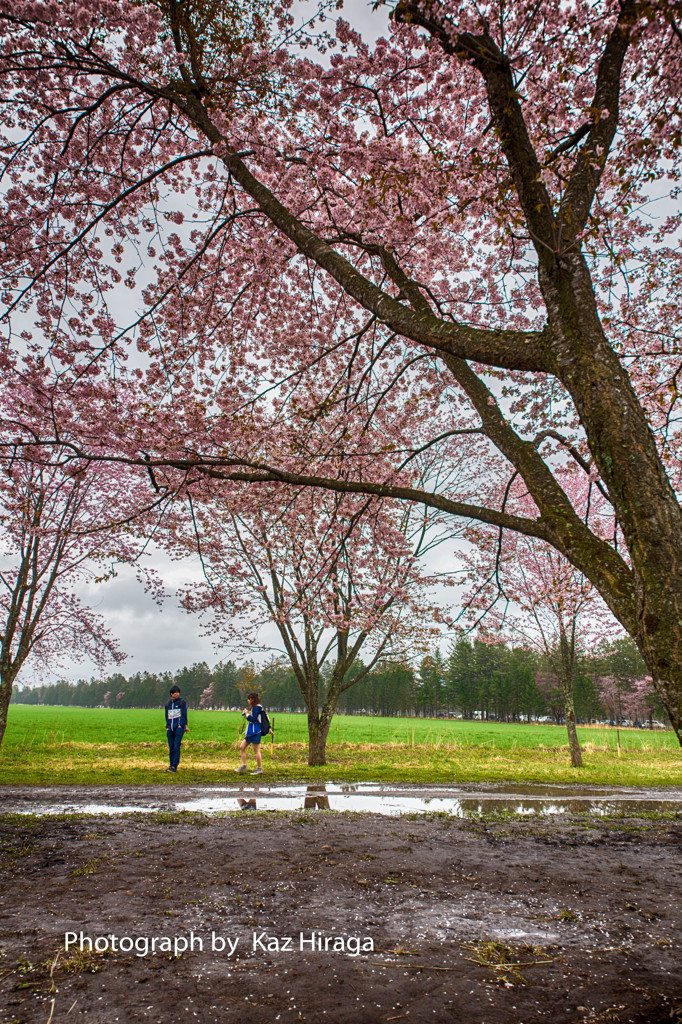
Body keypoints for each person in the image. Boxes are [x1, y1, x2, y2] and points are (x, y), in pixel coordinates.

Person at [236, 692, 265, 775]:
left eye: (249, 699)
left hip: (255, 732)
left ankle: (259, 769)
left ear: (252, 699)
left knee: (256, 751)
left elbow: (253, 719)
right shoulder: (255, 708)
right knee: (242, 747)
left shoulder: (256, 708)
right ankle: (244, 766)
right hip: (250, 732)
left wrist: (246, 714)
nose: (248, 700)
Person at [164, 685, 188, 773]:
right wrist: (167, 726)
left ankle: (174, 766)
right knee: (171, 747)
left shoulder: (181, 702)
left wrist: (183, 725)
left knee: (176, 746)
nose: (177, 694)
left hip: (179, 728)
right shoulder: (168, 704)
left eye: (178, 692)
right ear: (171, 694)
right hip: (170, 729)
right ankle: (171, 765)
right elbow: (167, 716)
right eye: (176, 693)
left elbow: (184, 715)